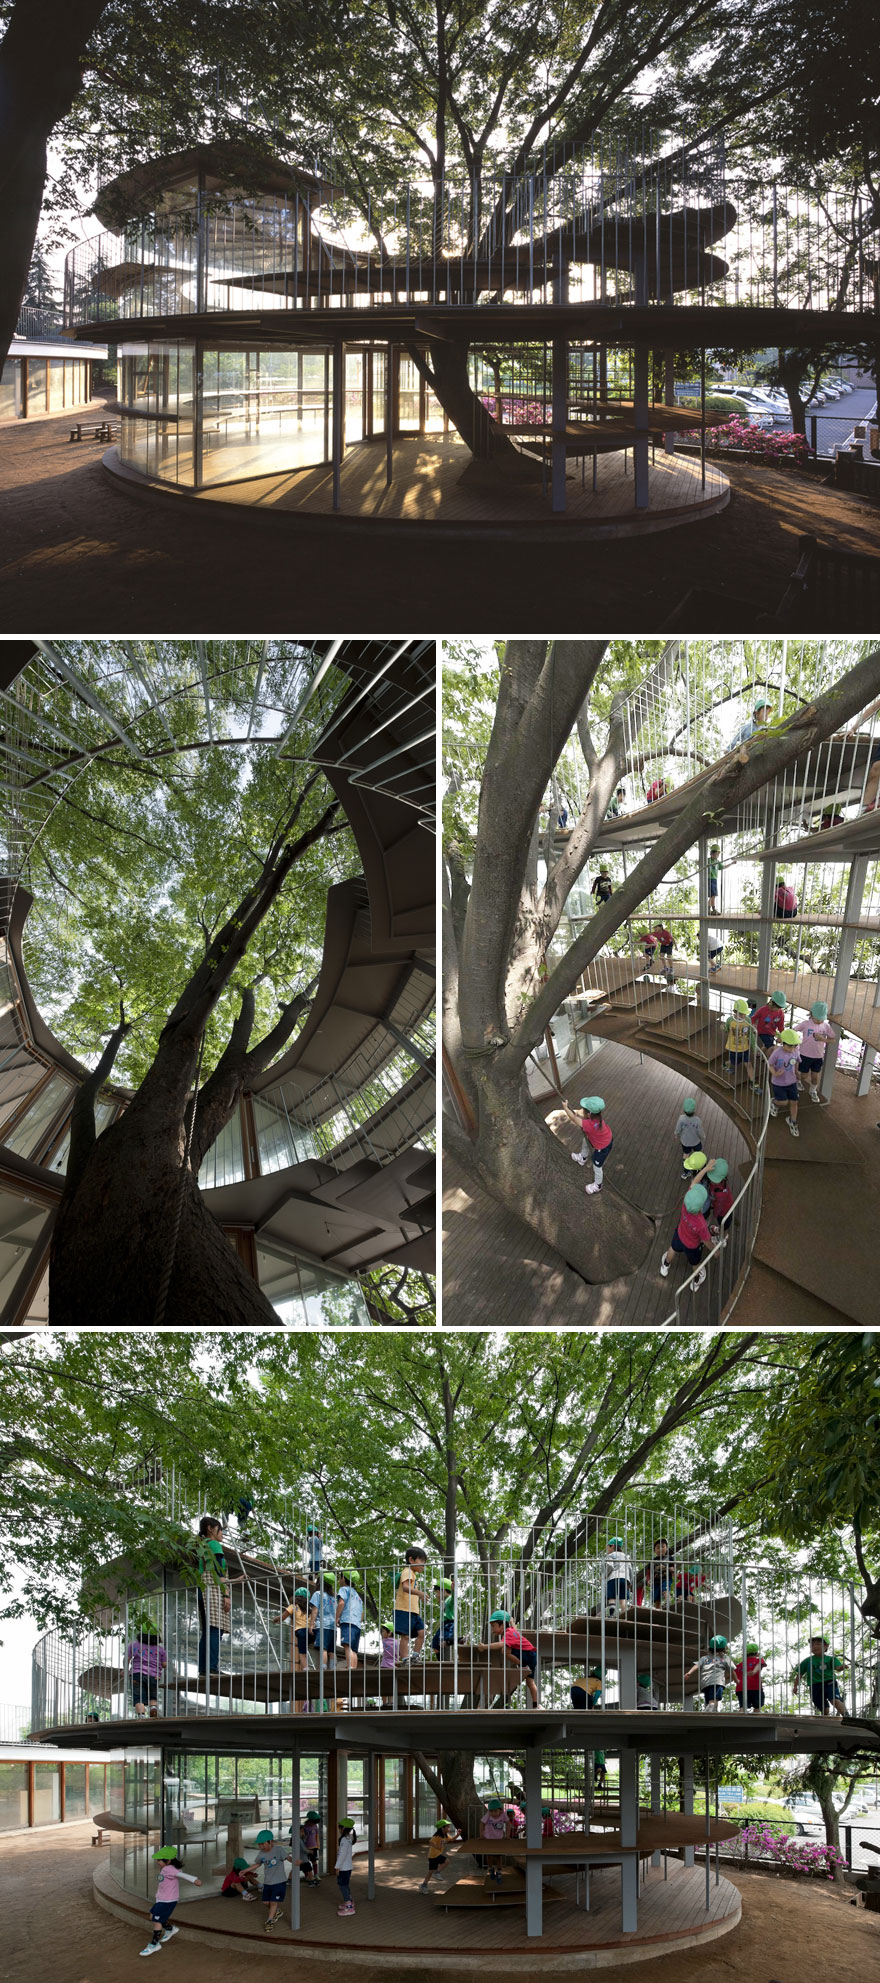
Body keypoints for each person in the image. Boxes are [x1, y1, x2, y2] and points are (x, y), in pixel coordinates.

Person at [140, 1846, 202, 1956]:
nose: (157, 1861)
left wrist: (195, 1880)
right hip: (161, 1899)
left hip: (167, 1900)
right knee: (152, 1916)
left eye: (159, 1860)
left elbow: (181, 1875)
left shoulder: (170, 1869)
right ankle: (170, 1929)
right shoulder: (166, 1868)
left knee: (156, 1921)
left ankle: (154, 1945)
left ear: (168, 1860)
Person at [659, 1184, 712, 1292]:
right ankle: (695, 1280)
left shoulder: (685, 1205)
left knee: (672, 1248)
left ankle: (665, 1265)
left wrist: (705, 1170)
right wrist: (715, 1250)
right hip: (692, 1246)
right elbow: (706, 1240)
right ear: (701, 1207)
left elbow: (693, 1183)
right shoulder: (701, 1223)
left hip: (679, 1234)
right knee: (695, 1263)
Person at [196, 1516, 230, 1680]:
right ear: (210, 1528)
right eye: (220, 1529)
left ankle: (204, 1668)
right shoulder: (214, 1544)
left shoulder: (202, 1546)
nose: (222, 1533)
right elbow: (218, 1570)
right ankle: (212, 1667)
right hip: (213, 1589)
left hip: (202, 1589)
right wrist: (226, 1594)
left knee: (208, 1629)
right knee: (215, 1629)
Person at [488, 1610, 539, 1705]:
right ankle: (536, 1704)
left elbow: (500, 1644)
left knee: (504, 1650)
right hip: (531, 1655)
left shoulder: (508, 1634)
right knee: (530, 1682)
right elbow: (515, 1629)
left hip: (527, 1654)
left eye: (493, 1626)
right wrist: (512, 1622)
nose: (492, 1629)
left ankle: (520, 1664)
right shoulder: (512, 1631)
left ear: (502, 1625)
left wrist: (485, 1647)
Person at [246, 1830, 292, 1932]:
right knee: (265, 1902)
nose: (260, 1846)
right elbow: (257, 1864)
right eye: (259, 1844)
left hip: (279, 1882)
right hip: (268, 1882)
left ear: (270, 1842)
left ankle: (269, 1921)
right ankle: (277, 1912)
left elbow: (288, 1858)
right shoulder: (261, 1853)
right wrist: (245, 1870)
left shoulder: (279, 1850)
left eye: (262, 1844)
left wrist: (297, 1863)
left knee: (273, 1902)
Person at [792, 1635, 847, 1717]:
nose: (814, 1646)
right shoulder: (807, 1661)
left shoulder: (830, 1659)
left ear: (826, 1646)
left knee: (835, 1700)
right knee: (821, 1705)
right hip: (814, 1686)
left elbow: (837, 1668)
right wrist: (795, 1686)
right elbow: (799, 1674)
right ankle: (826, 1718)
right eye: (812, 1645)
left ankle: (848, 1716)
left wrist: (841, 1667)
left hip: (829, 1683)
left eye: (818, 1644)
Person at [794, 1001, 837, 1103]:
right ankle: (797, 1081)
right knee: (804, 1075)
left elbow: (833, 1039)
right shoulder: (805, 1024)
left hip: (818, 1057)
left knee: (815, 1077)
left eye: (821, 1018)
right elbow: (793, 1030)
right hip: (804, 1055)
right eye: (817, 1018)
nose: (819, 1021)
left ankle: (813, 1091)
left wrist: (823, 1039)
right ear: (811, 1014)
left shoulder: (826, 1026)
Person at [569, 1095, 613, 1195]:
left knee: (597, 1165)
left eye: (584, 1110)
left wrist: (565, 1108)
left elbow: (573, 1119)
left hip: (603, 1147)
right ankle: (583, 1157)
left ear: (589, 1114)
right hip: (604, 1139)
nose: (581, 1111)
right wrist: (577, 1112)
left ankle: (598, 1185)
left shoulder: (590, 1125)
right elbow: (581, 1113)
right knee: (586, 1139)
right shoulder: (597, 1117)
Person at [127, 1624, 167, 1718]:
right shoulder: (161, 1650)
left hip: (137, 1674)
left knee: (138, 1697)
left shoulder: (134, 1645)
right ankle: (153, 1708)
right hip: (154, 1676)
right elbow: (164, 1664)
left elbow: (127, 1659)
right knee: (152, 1696)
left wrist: (125, 1670)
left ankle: (141, 1715)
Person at [768, 1027, 802, 1137]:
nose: (792, 1048)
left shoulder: (796, 1051)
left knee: (794, 1102)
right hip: (779, 1083)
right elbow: (770, 1064)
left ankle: (793, 1121)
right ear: (783, 1043)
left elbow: (797, 1061)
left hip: (792, 1082)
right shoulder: (777, 1053)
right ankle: (774, 1102)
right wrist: (775, 1073)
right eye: (789, 1046)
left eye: (795, 1045)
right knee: (783, 1102)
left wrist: (797, 1072)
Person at [394, 1547, 427, 1660]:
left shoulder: (413, 1573)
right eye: (421, 1561)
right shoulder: (407, 1571)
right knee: (405, 1636)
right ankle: (404, 1658)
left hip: (413, 1611)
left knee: (421, 1632)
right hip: (404, 1609)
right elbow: (405, 1587)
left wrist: (419, 1595)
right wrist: (420, 1593)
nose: (423, 1565)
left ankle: (415, 1656)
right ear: (411, 1560)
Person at [692, 1157, 734, 1244]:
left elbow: (719, 1207)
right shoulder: (720, 1184)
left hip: (723, 1213)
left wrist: (715, 1214)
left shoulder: (720, 1194)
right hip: (722, 1208)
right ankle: (720, 1230)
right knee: (721, 1225)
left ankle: (723, 1238)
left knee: (724, 1226)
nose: (711, 1180)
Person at [684, 1636, 733, 1710]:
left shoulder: (704, 1658)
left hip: (705, 1683)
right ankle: (710, 1711)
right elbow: (732, 1670)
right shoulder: (725, 1658)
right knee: (714, 1701)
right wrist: (736, 1679)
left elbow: (697, 1665)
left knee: (709, 1700)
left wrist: (689, 1673)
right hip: (717, 1682)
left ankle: (711, 1712)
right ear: (724, 1648)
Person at [418, 1818, 460, 1892]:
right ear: (442, 1828)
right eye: (447, 1826)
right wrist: (437, 1847)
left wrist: (457, 1834)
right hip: (433, 1856)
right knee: (433, 1870)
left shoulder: (445, 1836)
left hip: (436, 1855)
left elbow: (452, 1839)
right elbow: (430, 1842)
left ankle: (427, 1881)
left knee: (445, 1862)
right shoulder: (437, 1836)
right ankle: (426, 1882)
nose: (449, 1828)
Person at [724, 999, 757, 1088]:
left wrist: (754, 1047)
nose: (743, 1016)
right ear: (735, 1012)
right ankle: (726, 1063)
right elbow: (726, 1029)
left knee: (748, 1064)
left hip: (745, 1048)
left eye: (745, 1013)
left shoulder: (748, 1020)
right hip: (733, 1049)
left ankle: (753, 1083)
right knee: (734, 1063)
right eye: (741, 1014)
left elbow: (750, 1035)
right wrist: (723, 1028)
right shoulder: (730, 1020)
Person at [336, 1570, 364, 1670]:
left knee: (347, 1646)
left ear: (343, 1578)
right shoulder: (358, 1596)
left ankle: (350, 1667)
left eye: (340, 1577)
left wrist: (336, 1617)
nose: (339, 1580)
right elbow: (362, 1616)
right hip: (357, 1625)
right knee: (354, 1650)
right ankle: (353, 1668)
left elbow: (341, 1603)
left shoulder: (344, 1589)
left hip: (347, 1622)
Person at [309, 1573, 338, 1668]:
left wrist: (311, 1624)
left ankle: (323, 1668)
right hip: (333, 1628)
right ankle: (333, 1668)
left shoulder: (318, 1594)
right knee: (331, 1650)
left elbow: (315, 1610)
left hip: (322, 1626)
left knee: (323, 1649)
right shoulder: (333, 1599)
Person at [479, 1797, 511, 1883]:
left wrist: (507, 1835)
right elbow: (482, 1823)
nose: (493, 1813)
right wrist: (481, 1834)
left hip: (498, 1840)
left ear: (500, 1810)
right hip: (488, 1838)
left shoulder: (503, 1815)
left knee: (498, 1856)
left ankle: (499, 1871)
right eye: (491, 1811)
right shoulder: (488, 1815)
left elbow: (508, 1824)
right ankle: (491, 1868)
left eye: (495, 1811)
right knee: (489, 1856)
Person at [674, 1097, 706, 1177]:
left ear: (684, 1110)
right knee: (698, 1153)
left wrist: (676, 1134)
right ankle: (699, 1166)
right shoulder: (697, 1121)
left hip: (685, 1142)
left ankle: (686, 1171)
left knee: (686, 1154)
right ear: (694, 1110)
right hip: (696, 1141)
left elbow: (678, 1129)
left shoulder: (681, 1119)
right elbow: (700, 1132)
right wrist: (703, 1137)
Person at [603, 1537, 633, 1619]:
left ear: (612, 1546)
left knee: (612, 1597)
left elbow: (609, 1566)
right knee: (622, 1598)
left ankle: (612, 1614)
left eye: (607, 1548)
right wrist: (630, 1582)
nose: (607, 1550)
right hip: (625, 1579)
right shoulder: (625, 1556)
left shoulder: (611, 1555)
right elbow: (630, 1569)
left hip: (613, 1578)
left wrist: (604, 1576)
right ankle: (625, 1614)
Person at [751, 992, 786, 1059]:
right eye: (776, 1007)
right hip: (762, 1031)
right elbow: (753, 1018)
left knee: (766, 1045)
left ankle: (758, 1054)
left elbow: (780, 1026)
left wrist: (781, 1036)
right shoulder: (763, 1009)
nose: (778, 1009)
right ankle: (769, 1061)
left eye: (780, 1007)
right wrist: (753, 1025)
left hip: (771, 1033)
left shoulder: (780, 1013)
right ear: (771, 1003)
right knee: (771, 1047)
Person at [734, 1643, 767, 1712]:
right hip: (755, 1687)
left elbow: (733, 1674)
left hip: (742, 1688)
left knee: (743, 1707)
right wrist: (754, 1671)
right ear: (757, 1653)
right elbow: (759, 1664)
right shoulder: (758, 1660)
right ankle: (756, 1721)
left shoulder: (740, 1665)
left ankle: (739, 1720)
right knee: (757, 1707)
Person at [335, 1817, 357, 1915]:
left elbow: (342, 1854)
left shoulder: (344, 1839)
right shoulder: (349, 1838)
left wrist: (337, 1867)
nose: (338, 1830)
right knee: (345, 1885)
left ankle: (349, 1907)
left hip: (343, 1868)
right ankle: (350, 1901)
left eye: (339, 1828)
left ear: (343, 1829)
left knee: (342, 1886)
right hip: (348, 1867)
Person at [431, 1576, 456, 1655]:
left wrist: (454, 1590)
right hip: (443, 1625)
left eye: (437, 1592)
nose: (436, 1595)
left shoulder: (449, 1599)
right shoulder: (444, 1601)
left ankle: (459, 1640)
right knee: (434, 1643)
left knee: (444, 1641)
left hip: (449, 1623)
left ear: (443, 1591)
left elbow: (453, 1600)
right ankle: (440, 1663)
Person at [300, 1809, 321, 1884]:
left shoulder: (315, 1826)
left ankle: (315, 1874)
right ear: (309, 1820)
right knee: (306, 1863)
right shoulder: (304, 1827)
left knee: (314, 1861)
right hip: (306, 1848)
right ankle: (307, 1875)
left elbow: (317, 1836)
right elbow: (302, 1838)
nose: (313, 1824)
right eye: (313, 1822)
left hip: (314, 1847)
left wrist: (318, 1846)